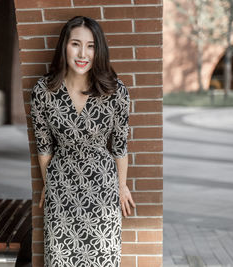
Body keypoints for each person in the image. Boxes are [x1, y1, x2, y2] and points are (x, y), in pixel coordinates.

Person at [30, 16, 135, 266]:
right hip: (61, 190)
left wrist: (121, 186)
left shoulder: (115, 91)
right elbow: (44, 148)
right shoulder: (43, 92)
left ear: (98, 51)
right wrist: (49, 184)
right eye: (76, 44)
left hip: (102, 190)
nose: (83, 53)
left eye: (91, 46)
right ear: (64, 46)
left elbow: (120, 147)